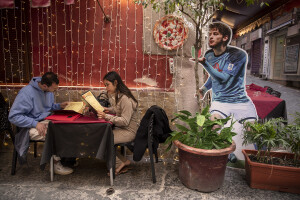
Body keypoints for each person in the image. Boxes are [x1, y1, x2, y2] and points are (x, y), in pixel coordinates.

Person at [8, 72, 73, 175]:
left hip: (45, 120)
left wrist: (59, 106)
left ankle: (66, 159)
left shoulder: (47, 90)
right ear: (44, 85)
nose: (54, 92)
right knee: (54, 132)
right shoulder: (26, 93)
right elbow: (13, 116)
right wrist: (35, 123)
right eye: (54, 90)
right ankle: (56, 164)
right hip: (28, 127)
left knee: (67, 126)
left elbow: (48, 106)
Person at [198, 22, 257, 125]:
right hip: (220, 102)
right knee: (214, 128)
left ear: (225, 38)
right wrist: (204, 89)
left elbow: (224, 78)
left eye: (215, 34)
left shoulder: (238, 55)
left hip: (240, 101)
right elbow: (214, 77)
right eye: (210, 34)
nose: (211, 37)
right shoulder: (209, 55)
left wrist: (205, 64)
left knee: (252, 132)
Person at [97, 71, 139, 175]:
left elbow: (124, 121)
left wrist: (106, 116)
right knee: (101, 137)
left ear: (115, 83)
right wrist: (107, 109)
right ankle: (124, 161)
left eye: (107, 85)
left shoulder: (125, 98)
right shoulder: (119, 96)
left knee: (103, 140)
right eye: (105, 85)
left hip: (129, 131)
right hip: (123, 129)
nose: (106, 88)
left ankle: (119, 163)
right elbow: (117, 109)